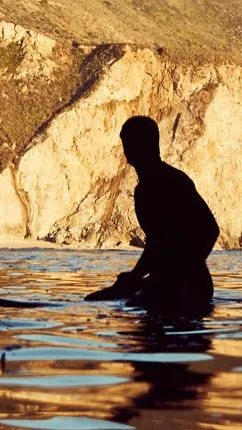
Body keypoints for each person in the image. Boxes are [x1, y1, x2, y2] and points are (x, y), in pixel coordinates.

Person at [85, 115, 219, 314]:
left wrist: (179, 275)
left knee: (121, 310)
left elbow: (210, 230)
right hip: (170, 282)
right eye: (126, 142)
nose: (126, 149)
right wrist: (136, 276)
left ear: (147, 143)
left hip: (186, 287)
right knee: (96, 301)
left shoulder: (170, 182)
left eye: (130, 142)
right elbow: (157, 243)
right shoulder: (146, 188)